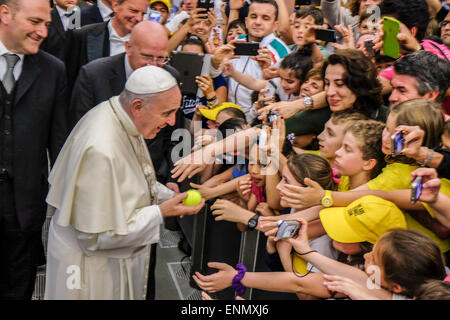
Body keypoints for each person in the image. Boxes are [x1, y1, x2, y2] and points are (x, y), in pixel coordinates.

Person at [44, 66, 205, 300]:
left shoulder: (120, 115)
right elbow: (95, 236)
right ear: (138, 106)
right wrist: (160, 212)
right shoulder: (100, 149)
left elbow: (132, 176)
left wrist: (165, 195)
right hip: (89, 269)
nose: (172, 122)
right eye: (166, 113)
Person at [0, 0, 69, 299]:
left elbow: (60, 143)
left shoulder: (53, 71)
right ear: (4, 14)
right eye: (34, 21)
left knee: (18, 286)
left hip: (24, 208)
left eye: (46, 23)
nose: (43, 31)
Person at [210, 0, 291, 122]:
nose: (258, 22)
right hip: (229, 117)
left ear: (275, 25)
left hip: (259, 120)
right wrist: (216, 62)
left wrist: (267, 74)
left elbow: (284, 94)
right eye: (254, 16)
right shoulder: (236, 42)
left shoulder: (281, 51)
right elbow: (218, 76)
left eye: (265, 18)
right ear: (246, 22)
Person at [66, 0, 148, 89]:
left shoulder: (146, 42)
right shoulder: (83, 35)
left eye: (143, 14)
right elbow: (71, 82)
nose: (139, 18)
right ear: (116, 6)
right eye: (134, 11)